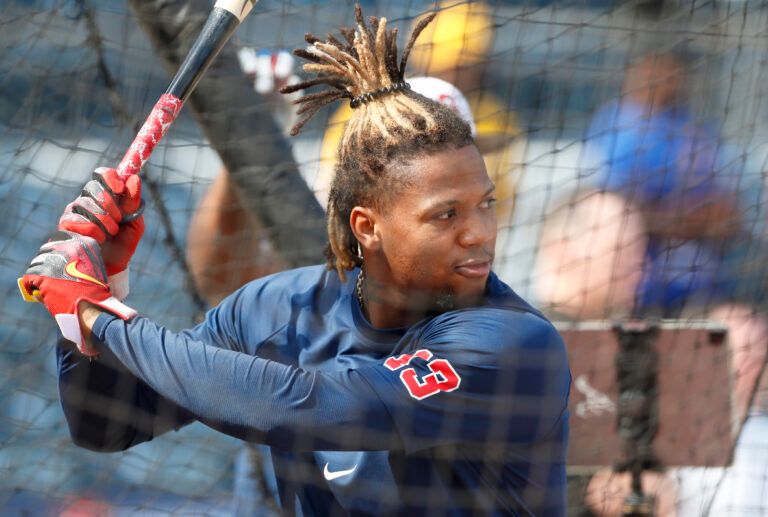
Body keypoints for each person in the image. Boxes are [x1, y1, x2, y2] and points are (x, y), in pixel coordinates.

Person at [21, 6, 571, 515]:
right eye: (446, 215)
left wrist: (98, 314)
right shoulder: (276, 308)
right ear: (367, 227)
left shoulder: (512, 341)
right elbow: (105, 425)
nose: (478, 234)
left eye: (485, 205)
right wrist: (101, 289)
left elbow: (325, 408)